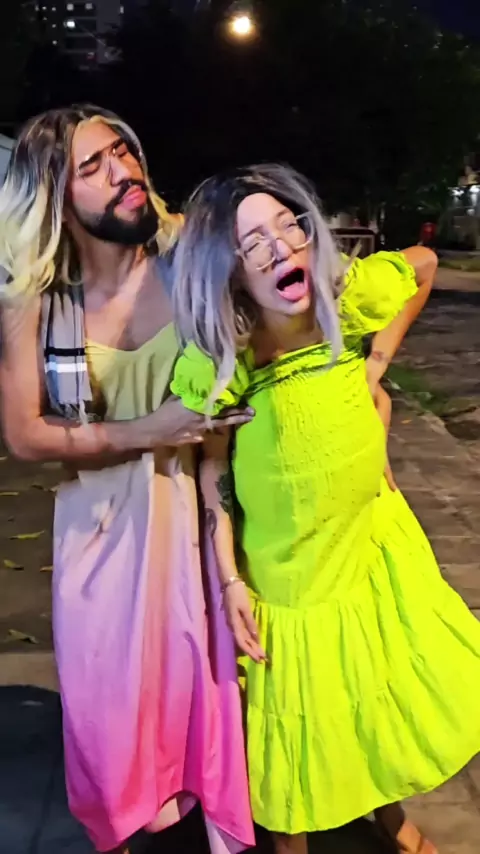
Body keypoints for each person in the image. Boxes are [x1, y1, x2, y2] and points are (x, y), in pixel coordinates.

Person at [170, 163, 480, 854]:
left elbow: (423, 265)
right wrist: (230, 580)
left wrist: (375, 366)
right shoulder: (228, 358)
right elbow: (211, 471)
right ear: (228, 271)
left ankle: (391, 819)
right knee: (296, 735)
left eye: (289, 226)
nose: (281, 246)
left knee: (372, 691)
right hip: (289, 582)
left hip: (365, 545)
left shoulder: (346, 299)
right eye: (254, 241)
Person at [0, 106, 255, 854]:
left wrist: (366, 377)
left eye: (123, 152)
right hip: (101, 552)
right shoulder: (40, 301)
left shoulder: (190, 264)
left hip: (198, 537)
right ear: (55, 198)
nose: (124, 173)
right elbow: (24, 435)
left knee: (210, 737)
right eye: (94, 166)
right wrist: (147, 431)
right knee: (118, 750)